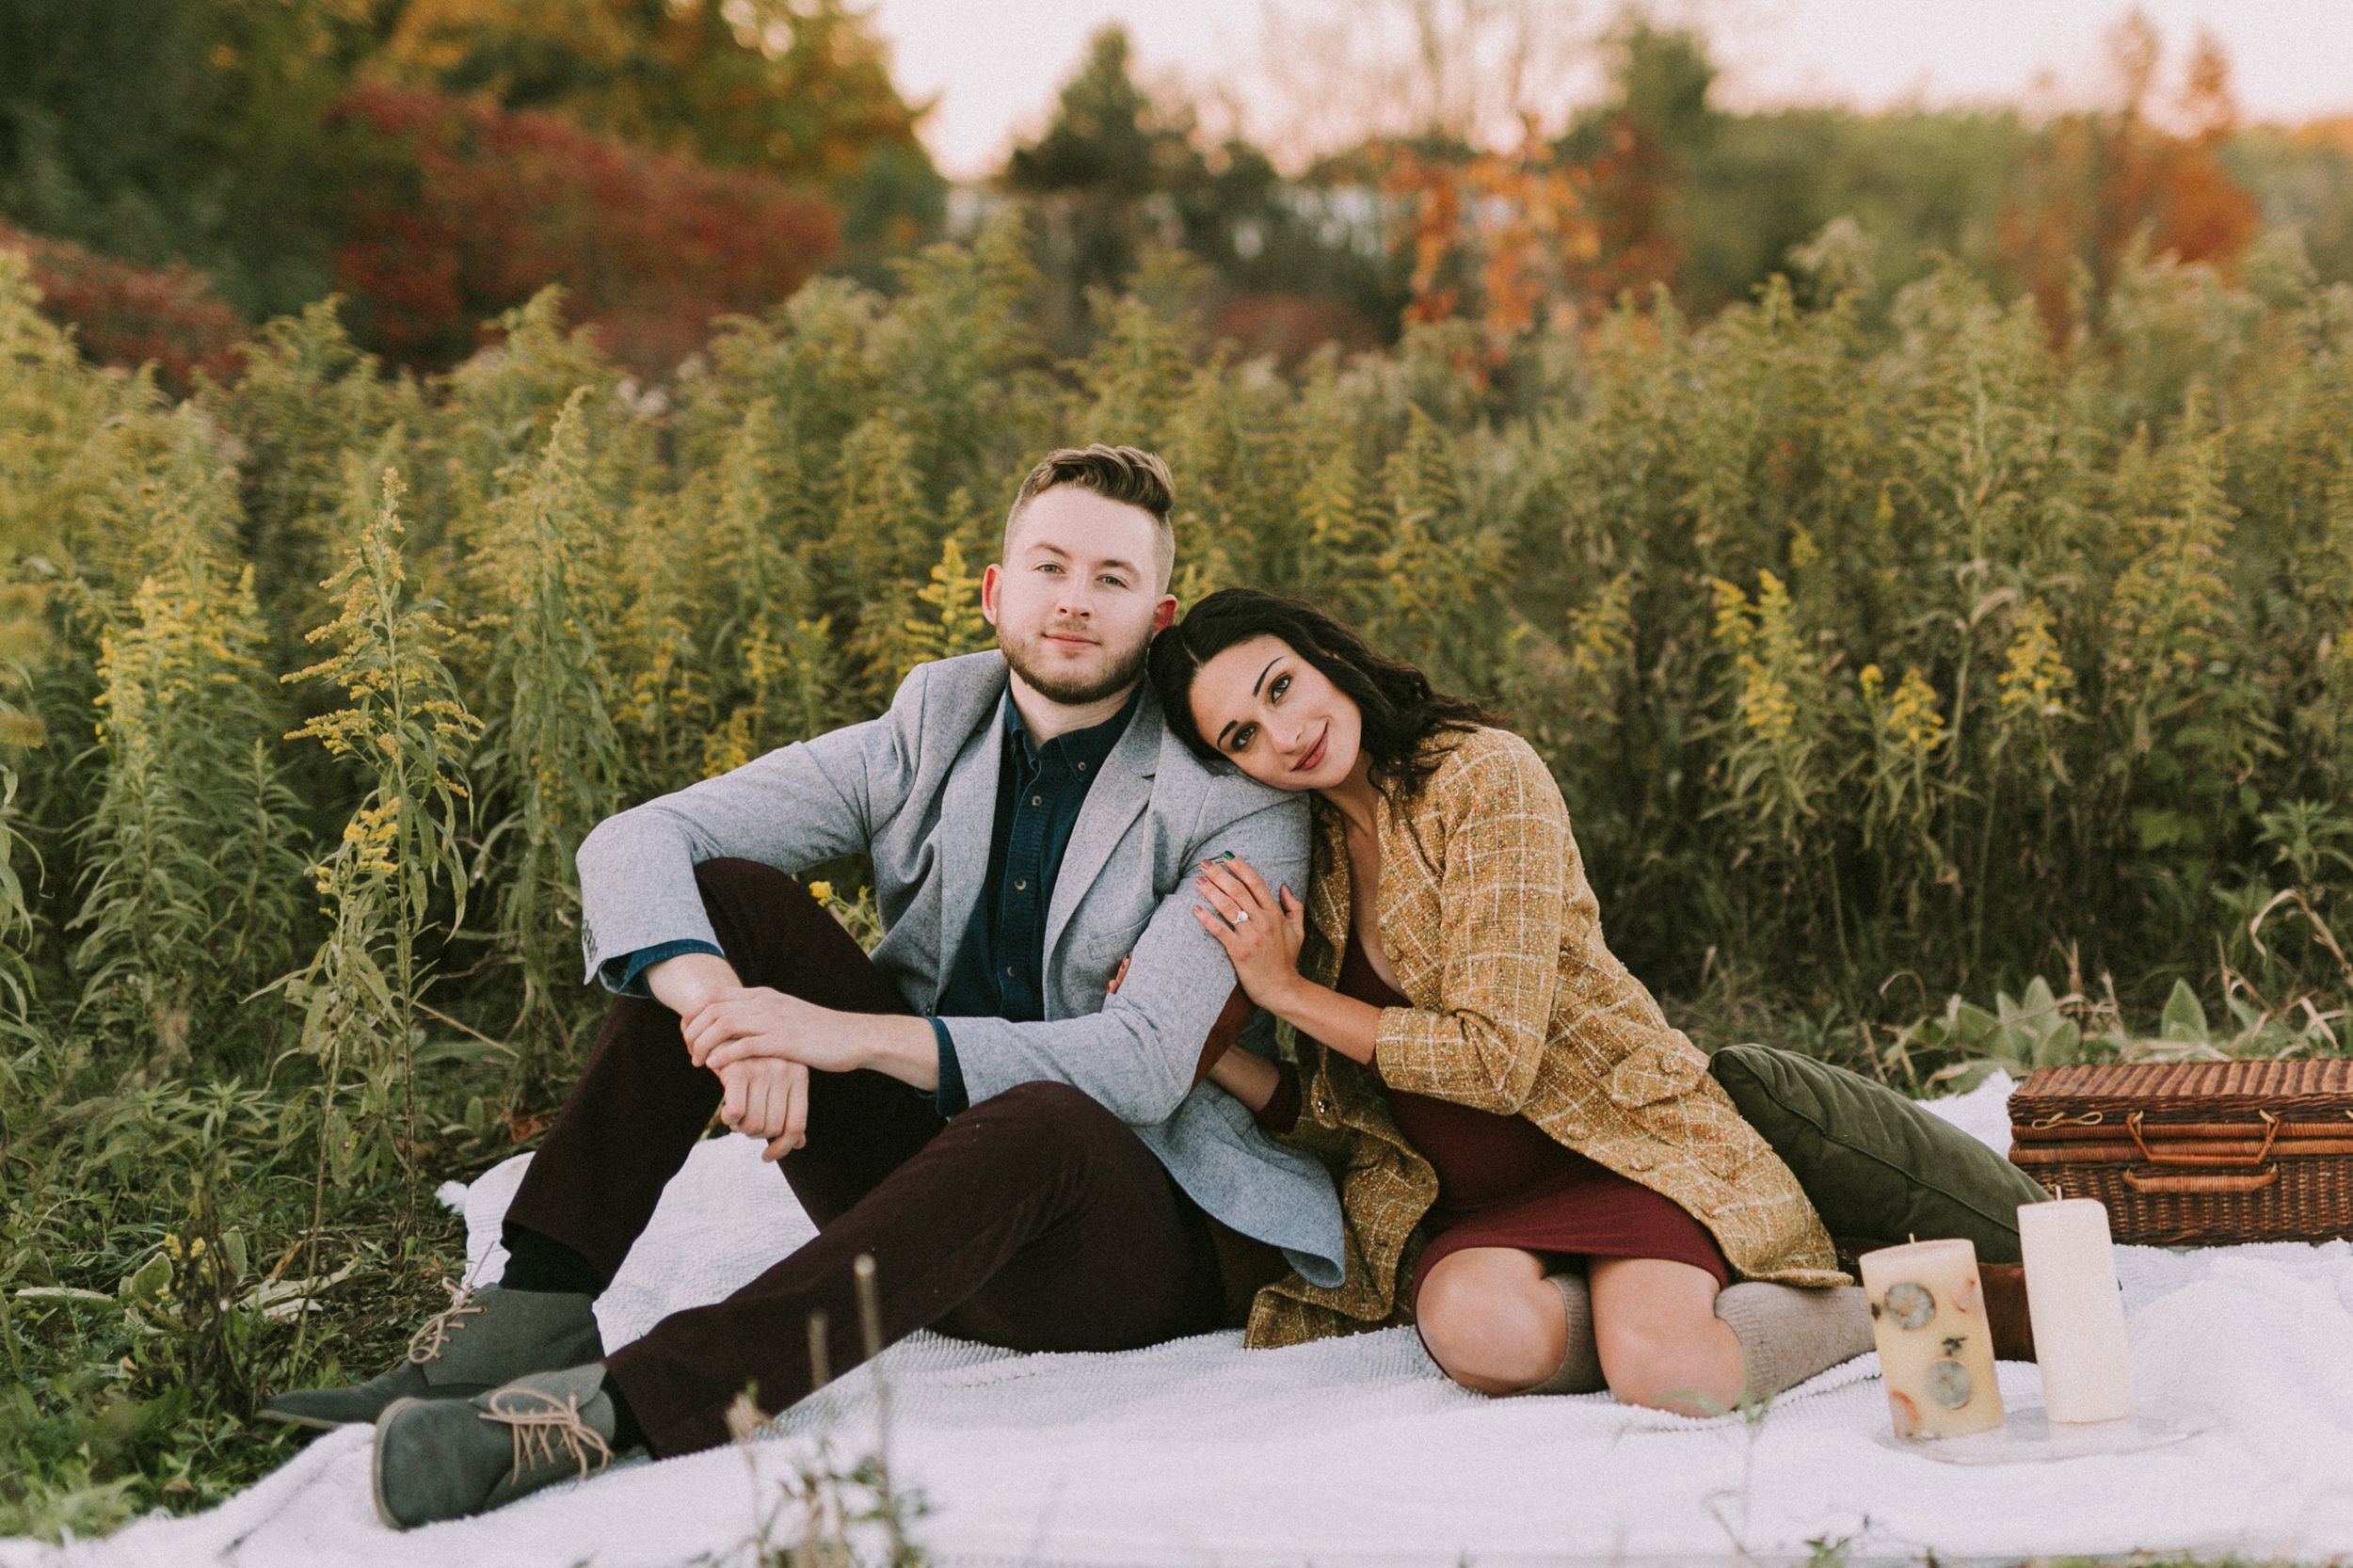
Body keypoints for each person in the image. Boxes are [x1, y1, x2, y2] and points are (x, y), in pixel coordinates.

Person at [260, 447, 1343, 1528]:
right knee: (727, 898)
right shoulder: (933, 724)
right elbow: (641, 838)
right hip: (915, 1180)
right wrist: (730, 1015)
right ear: (994, 590)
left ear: (1154, 621)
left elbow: (1144, 1062)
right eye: (1048, 566)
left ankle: (608, 1412)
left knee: (1046, 1117)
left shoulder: (1227, 801)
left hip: (1114, 1239)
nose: (1072, 600)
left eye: (1110, 578)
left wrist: (836, 1036)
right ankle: (531, 1309)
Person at [1146, 587, 1881, 1415]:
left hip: (1621, 1150)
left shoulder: (1481, 775)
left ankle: (1890, 1302)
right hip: (1478, 1209)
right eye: (1241, 735)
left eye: (1280, 686)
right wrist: (1204, 1054)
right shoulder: (1302, 859)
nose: (1284, 736)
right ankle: (1651, 1312)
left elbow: (1493, 1063)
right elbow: (1349, 1111)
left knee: (1673, 1377)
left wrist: (1286, 992)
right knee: (1473, 1334)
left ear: (1329, 657)